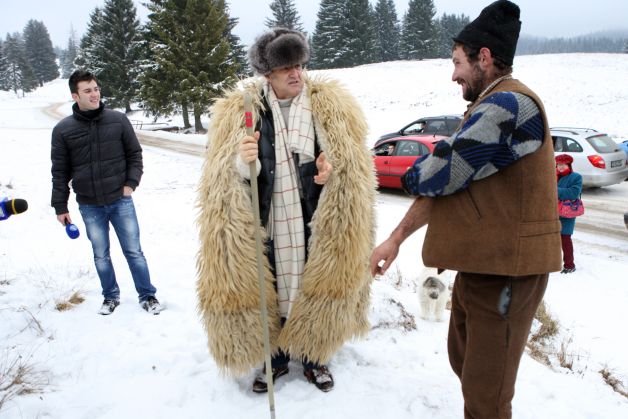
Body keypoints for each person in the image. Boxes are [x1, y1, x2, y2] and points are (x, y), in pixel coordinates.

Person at [370, 1, 561, 418]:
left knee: (486, 396)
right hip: (482, 267)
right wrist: (396, 238)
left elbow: (439, 173)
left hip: (509, 270)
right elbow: (450, 186)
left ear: (485, 58)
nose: (453, 73)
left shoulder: (510, 106)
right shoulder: (488, 104)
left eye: (457, 62)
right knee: (464, 362)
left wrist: (416, 169)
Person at [196, 28, 376, 393]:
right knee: (272, 287)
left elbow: (352, 164)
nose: (296, 74)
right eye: (286, 69)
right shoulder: (244, 111)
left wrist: (330, 171)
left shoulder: (328, 108)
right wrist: (240, 163)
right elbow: (220, 177)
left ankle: (314, 356)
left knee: (317, 283)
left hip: (316, 219)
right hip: (268, 221)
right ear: (268, 75)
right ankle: (274, 359)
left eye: (299, 65)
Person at [51, 70, 162, 316]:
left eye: (96, 88)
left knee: (134, 251)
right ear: (75, 95)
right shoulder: (63, 130)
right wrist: (60, 206)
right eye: (87, 90)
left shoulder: (117, 120)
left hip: (120, 200)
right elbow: (59, 172)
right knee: (101, 255)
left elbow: (135, 154)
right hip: (89, 205)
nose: (94, 94)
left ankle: (148, 295)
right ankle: (110, 297)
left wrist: (130, 184)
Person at [556, 154, 583, 274]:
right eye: (558, 165)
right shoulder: (553, 176)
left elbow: (573, 193)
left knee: (565, 238)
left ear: (569, 165)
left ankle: (569, 265)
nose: (560, 167)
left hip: (566, 213)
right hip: (552, 212)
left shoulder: (576, 177)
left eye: (563, 165)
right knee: (550, 238)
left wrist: (554, 190)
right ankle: (552, 262)